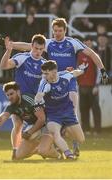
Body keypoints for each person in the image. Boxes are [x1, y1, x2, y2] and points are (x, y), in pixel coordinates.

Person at [6, 17, 108, 156]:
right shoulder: (49, 43)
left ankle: (74, 143)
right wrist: (11, 45)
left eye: (60, 30)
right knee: (51, 114)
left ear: (65, 30)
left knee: (72, 108)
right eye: (55, 31)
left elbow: (91, 53)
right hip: (51, 83)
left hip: (68, 80)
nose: (57, 33)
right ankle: (54, 143)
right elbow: (27, 46)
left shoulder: (73, 43)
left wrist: (102, 69)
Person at [0, 81, 62, 160]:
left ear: (18, 92)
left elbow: (42, 119)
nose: (9, 97)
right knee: (18, 156)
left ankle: (58, 154)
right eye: (7, 95)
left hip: (48, 126)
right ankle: (38, 149)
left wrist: (29, 132)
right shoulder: (12, 105)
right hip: (34, 127)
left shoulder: (29, 100)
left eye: (11, 94)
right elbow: (3, 116)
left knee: (43, 150)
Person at [35, 60, 88, 159]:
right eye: (43, 73)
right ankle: (68, 154)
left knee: (81, 139)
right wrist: (39, 101)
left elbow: (76, 73)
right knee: (55, 133)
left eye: (46, 73)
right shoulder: (45, 83)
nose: (44, 76)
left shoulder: (65, 75)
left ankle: (66, 133)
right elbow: (38, 96)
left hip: (68, 112)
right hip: (53, 114)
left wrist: (83, 68)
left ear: (54, 72)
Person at [77, 36, 102, 135]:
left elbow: (100, 70)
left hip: (92, 86)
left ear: (92, 44)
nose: (88, 45)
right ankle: (86, 129)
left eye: (89, 43)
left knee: (95, 108)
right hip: (82, 86)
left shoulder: (95, 55)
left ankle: (97, 129)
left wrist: (97, 85)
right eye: (86, 43)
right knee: (83, 108)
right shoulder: (79, 55)